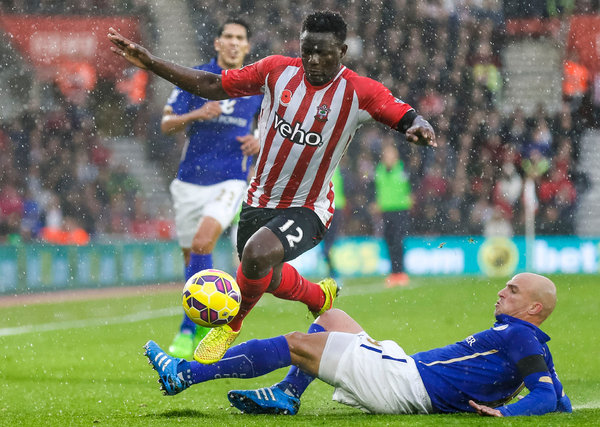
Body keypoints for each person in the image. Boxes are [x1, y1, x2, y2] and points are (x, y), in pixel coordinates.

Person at [108, 10, 436, 365]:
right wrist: (150, 62)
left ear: (341, 51)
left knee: (256, 254)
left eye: (323, 52)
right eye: (307, 49)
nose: (312, 59)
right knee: (264, 272)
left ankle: (230, 325)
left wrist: (417, 126)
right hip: (259, 198)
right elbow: (211, 85)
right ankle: (315, 296)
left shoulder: (358, 91)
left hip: (309, 207)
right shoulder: (276, 70)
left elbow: (401, 113)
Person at [143, 272, 572, 417]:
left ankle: (186, 373)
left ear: (534, 308)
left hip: (403, 383)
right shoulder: (530, 341)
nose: (501, 292)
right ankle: (287, 394)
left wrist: (505, 413)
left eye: (512, 291)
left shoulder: (517, 334)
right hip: (402, 369)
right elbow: (561, 401)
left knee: (294, 343)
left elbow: (546, 393)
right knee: (329, 317)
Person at [160, 18, 263, 359]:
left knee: (205, 241)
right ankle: (200, 320)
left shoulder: (256, 85)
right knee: (192, 256)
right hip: (189, 182)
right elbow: (166, 123)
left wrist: (259, 139)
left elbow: (279, 124)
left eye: (240, 39)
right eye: (228, 37)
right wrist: (198, 114)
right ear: (218, 43)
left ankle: (193, 327)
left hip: (232, 179)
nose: (234, 43)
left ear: (247, 47)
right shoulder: (197, 79)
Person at [374, 141, 412, 287]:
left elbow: (413, 185)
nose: (388, 157)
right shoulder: (379, 170)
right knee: (389, 241)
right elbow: (375, 188)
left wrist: (411, 196)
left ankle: (400, 272)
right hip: (385, 211)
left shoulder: (403, 169)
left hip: (400, 210)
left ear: (396, 156)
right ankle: (393, 273)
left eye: (391, 154)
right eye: (386, 155)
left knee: (398, 240)